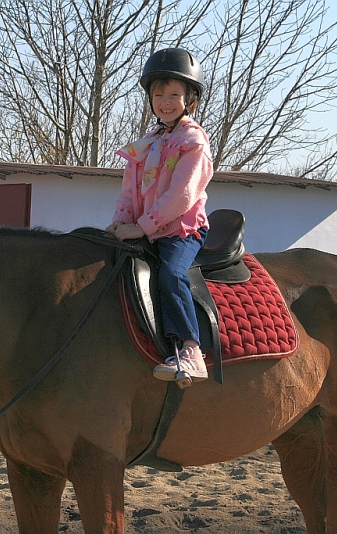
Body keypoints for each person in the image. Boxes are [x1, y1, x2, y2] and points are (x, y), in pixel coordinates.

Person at [107, 48, 214, 384]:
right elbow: (129, 191)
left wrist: (142, 227)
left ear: (191, 99)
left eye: (174, 95)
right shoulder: (145, 145)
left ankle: (190, 348)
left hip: (181, 231)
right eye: (158, 95)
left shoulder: (193, 142)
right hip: (144, 228)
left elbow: (181, 195)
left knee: (170, 273)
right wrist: (120, 221)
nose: (165, 102)